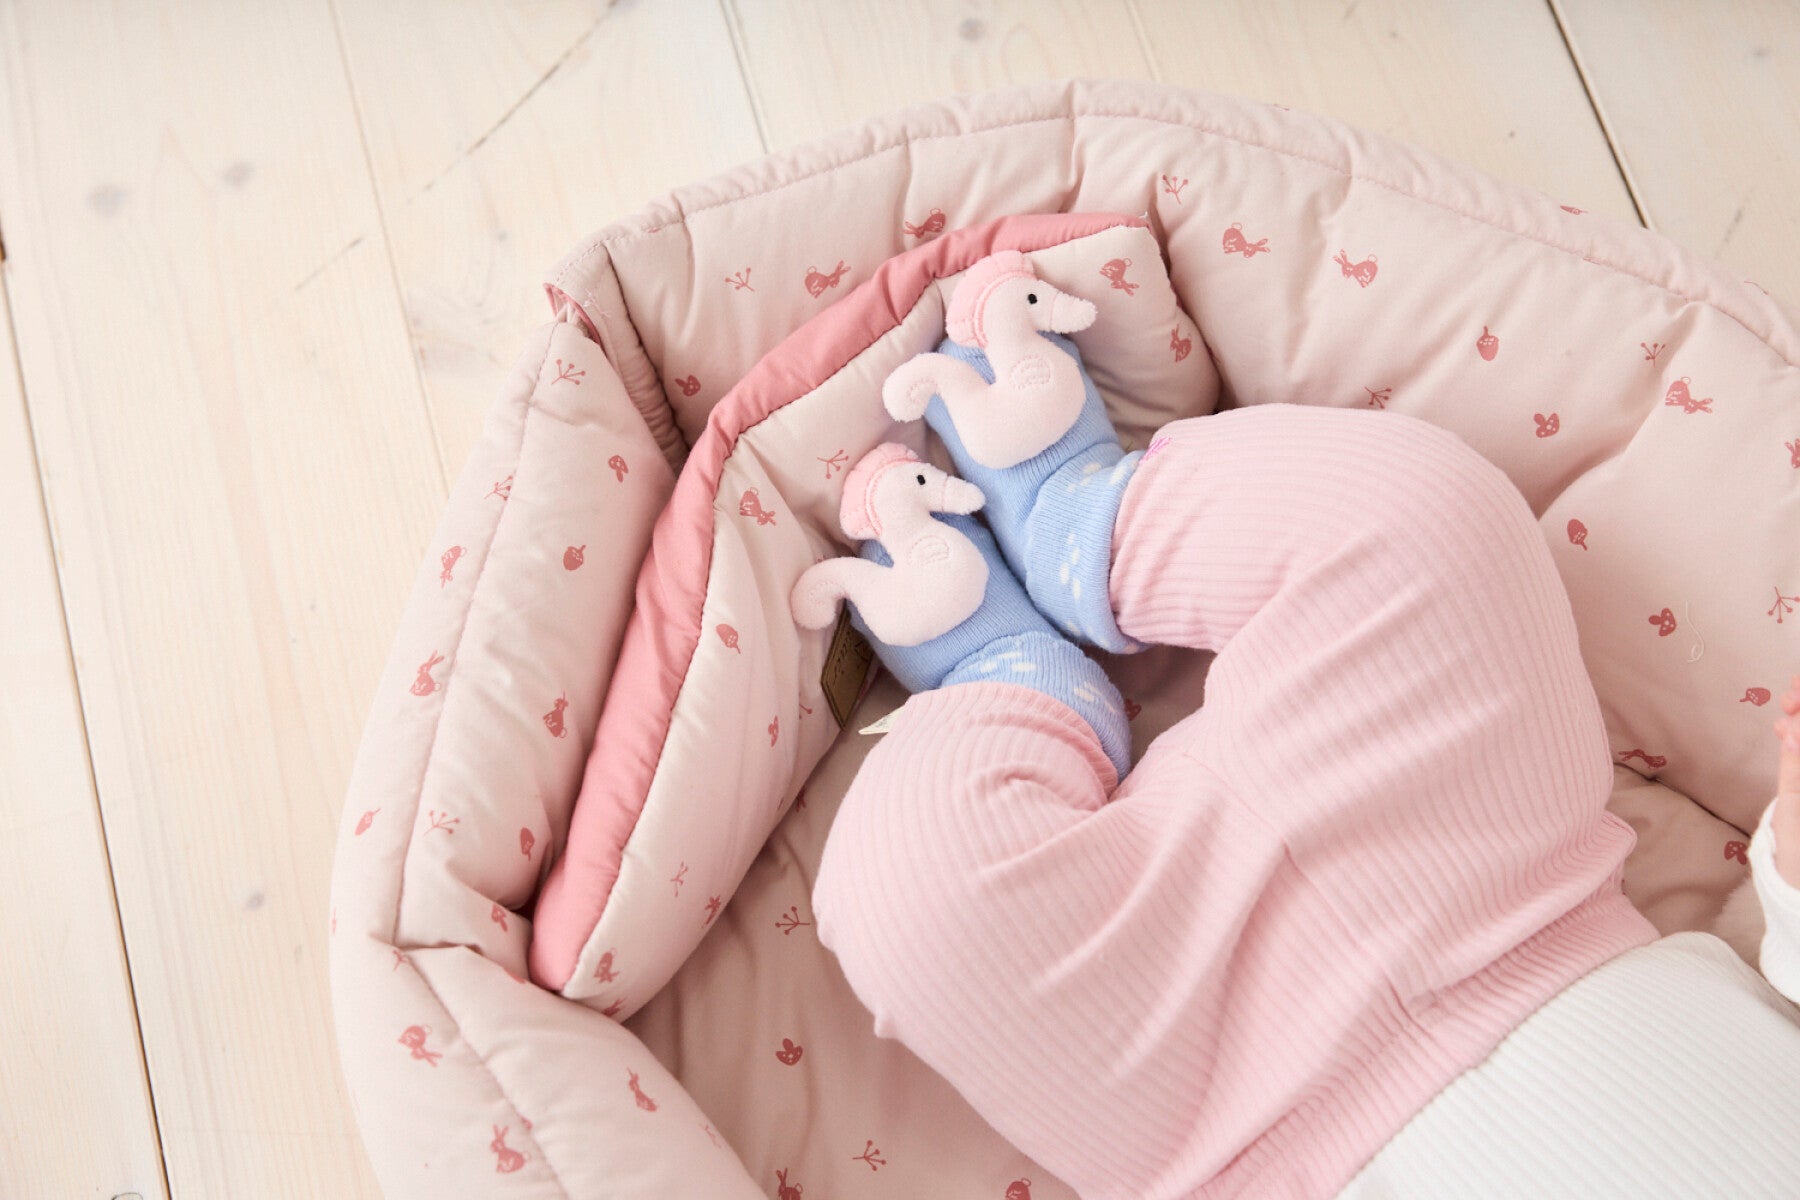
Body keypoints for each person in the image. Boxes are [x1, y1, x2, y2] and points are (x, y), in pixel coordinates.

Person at [810, 320, 1800, 1199]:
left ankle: (1010, 678)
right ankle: (1088, 533)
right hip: (1513, 891)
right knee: (1428, 518)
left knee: (907, 904)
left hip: (1212, 1115)